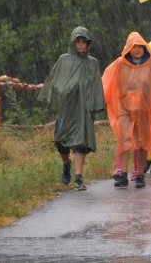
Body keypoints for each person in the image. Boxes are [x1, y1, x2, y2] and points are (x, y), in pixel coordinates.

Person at [102, 32, 151, 189]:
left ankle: (140, 175)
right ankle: (123, 174)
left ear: (145, 48)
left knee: (142, 143)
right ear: (128, 48)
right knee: (124, 140)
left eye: (140, 47)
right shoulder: (120, 64)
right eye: (134, 46)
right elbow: (107, 79)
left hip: (144, 110)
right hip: (124, 109)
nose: (137, 50)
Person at [38, 26, 106, 191]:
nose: (81, 45)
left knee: (80, 144)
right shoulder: (64, 60)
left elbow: (97, 85)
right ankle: (66, 164)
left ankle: (78, 177)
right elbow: (55, 82)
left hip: (83, 109)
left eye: (84, 42)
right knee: (61, 143)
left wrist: (96, 106)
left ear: (88, 44)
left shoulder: (92, 63)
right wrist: (61, 93)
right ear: (73, 43)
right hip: (67, 109)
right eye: (78, 42)